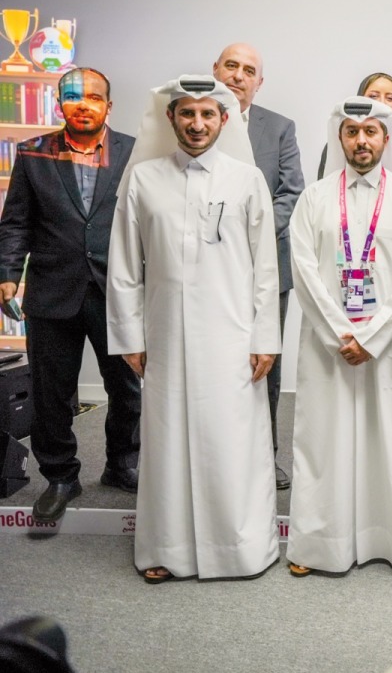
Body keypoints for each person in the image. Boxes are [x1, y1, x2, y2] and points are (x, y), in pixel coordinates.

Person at [108, 76, 281, 582]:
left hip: (233, 338)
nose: (198, 124)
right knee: (166, 441)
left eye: (208, 114)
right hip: (164, 336)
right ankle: (166, 549)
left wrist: (265, 337)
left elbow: (265, 268)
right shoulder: (143, 179)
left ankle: (240, 550)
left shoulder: (246, 180)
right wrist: (130, 336)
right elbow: (123, 265)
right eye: (188, 114)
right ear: (171, 118)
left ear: (224, 120)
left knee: (231, 442)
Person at [286, 98, 392, 579]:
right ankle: (317, 544)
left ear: (386, 139)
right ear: (340, 138)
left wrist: (372, 336)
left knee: (389, 440)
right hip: (329, 346)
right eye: (352, 132)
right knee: (323, 441)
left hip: (389, 346)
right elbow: (303, 270)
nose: (361, 140)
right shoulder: (315, 198)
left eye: (371, 131)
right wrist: (340, 334)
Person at [0, 68, 142, 522]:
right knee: (51, 392)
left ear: (109, 106)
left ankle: (122, 464)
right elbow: (16, 220)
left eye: (94, 97)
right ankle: (61, 475)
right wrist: (7, 273)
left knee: (126, 387)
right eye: (73, 97)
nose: (84, 104)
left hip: (116, 291)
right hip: (52, 289)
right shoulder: (34, 153)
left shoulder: (134, 153)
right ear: (59, 105)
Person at [316, 73, 392, 425]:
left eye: (390, 97)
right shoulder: (336, 148)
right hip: (344, 281)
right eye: (373, 95)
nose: (382, 102)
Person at [213, 43, 303, 491]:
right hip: (208, 271)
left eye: (249, 70)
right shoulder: (193, 120)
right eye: (231, 66)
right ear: (216, 70)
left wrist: (256, 240)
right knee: (212, 363)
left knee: (265, 362)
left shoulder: (279, 128)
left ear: (258, 83)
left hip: (268, 270)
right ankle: (219, 456)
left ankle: (266, 457)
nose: (238, 76)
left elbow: (291, 191)